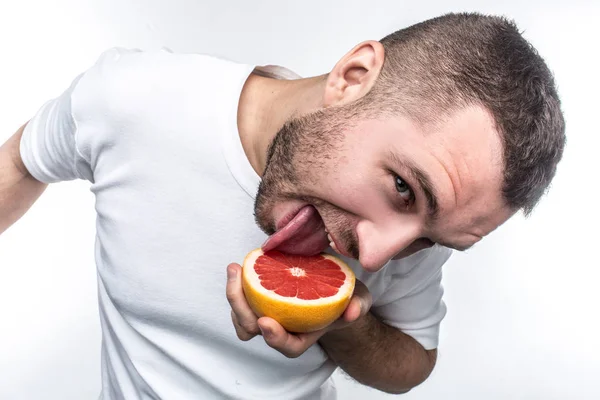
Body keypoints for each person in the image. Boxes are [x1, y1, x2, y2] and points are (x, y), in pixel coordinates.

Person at [0, 12, 564, 400]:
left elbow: (412, 361)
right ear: (353, 77)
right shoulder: (134, 100)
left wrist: (341, 323)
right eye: (400, 189)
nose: (376, 254)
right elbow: (22, 162)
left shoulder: (421, 222)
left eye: (432, 239)